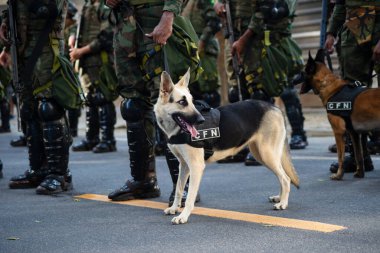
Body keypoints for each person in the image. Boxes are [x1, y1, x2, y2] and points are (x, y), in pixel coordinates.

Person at [105, 0, 185, 201]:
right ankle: (143, 181)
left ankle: (183, 184)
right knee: (133, 105)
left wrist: (168, 16)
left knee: (169, 104)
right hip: (125, 24)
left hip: (155, 19)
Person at [0, 0, 81, 194]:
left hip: (46, 44)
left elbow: (49, 9)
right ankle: (38, 169)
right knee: (28, 109)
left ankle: (58, 174)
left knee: (49, 107)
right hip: (21, 46)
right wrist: (5, 28)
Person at [214, 0, 307, 166]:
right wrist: (218, 4)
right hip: (235, 36)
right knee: (237, 93)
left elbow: (265, 10)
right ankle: (241, 145)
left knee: (262, 94)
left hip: (259, 38)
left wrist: (244, 39)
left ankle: (267, 146)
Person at [324, 0, 380, 173]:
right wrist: (331, 33)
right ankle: (359, 157)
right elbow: (341, 3)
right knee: (352, 97)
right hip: (353, 27)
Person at [70, 0, 118, 153]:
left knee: (103, 98)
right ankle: (92, 138)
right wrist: (73, 37)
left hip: (100, 60)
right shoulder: (88, 4)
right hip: (87, 61)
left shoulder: (104, 5)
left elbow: (107, 37)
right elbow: (79, 27)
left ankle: (108, 140)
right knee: (90, 99)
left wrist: (81, 51)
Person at [64, 1, 81, 138]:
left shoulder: (73, 27)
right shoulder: (58, 28)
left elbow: (72, 38)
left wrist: (71, 40)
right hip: (60, 68)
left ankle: (73, 129)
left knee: (73, 98)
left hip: (71, 69)